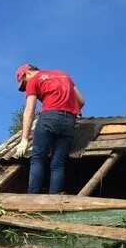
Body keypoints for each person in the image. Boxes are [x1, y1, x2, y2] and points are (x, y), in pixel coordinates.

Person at [14, 64, 85, 194]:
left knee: (38, 159)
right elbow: (81, 101)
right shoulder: (63, 74)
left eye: (24, 83)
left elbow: (30, 110)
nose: (25, 87)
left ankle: (32, 198)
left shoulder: (34, 80)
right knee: (58, 163)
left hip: (49, 117)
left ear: (27, 72)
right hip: (70, 120)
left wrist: (24, 139)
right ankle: (54, 199)